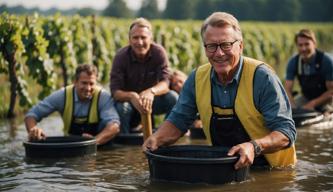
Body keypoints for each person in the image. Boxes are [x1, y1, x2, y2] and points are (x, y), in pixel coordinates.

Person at [143, 12, 297, 170]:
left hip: (274, 171)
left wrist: (254, 146)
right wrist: (157, 138)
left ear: (241, 46)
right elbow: (178, 121)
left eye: (226, 45)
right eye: (211, 46)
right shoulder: (196, 79)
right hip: (226, 169)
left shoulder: (262, 77)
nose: (219, 53)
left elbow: (286, 132)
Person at [110, 17, 178, 133]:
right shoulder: (121, 57)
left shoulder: (159, 52)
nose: (139, 42)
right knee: (122, 108)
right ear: (129, 40)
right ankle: (124, 143)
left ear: (150, 39)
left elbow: (165, 83)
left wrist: (151, 92)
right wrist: (132, 96)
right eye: (135, 38)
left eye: (143, 37)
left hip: (152, 101)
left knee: (173, 98)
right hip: (129, 104)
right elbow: (115, 92)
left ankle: (165, 134)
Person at [25, 64, 120, 146]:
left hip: (98, 144)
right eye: (84, 83)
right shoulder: (62, 95)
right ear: (75, 82)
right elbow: (32, 115)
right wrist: (33, 130)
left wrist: (94, 141)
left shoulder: (102, 96)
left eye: (91, 84)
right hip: (70, 144)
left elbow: (114, 125)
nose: (88, 88)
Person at [285, 29, 333, 113]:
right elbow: (287, 90)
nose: (303, 48)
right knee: (286, 109)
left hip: (327, 99)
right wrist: (292, 106)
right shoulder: (293, 62)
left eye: (307, 44)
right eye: (300, 45)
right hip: (306, 98)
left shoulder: (326, 61)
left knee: (326, 113)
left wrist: (312, 104)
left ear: (314, 44)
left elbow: (331, 92)